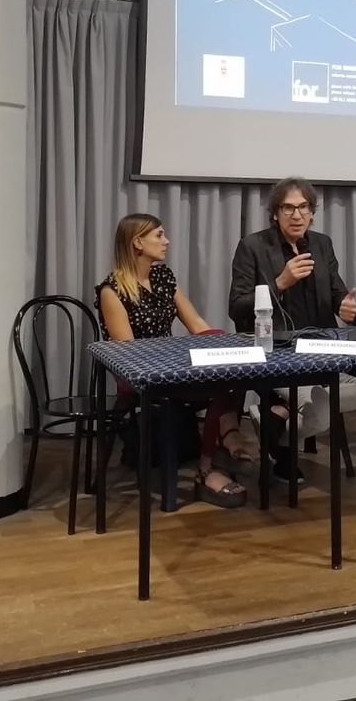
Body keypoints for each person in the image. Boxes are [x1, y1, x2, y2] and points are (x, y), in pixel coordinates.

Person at [229, 176, 356, 483]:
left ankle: (275, 418)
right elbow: (237, 307)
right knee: (321, 409)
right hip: (278, 354)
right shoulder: (253, 246)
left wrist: (346, 309)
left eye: (303, 207)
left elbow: (338, 293)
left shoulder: (321, 244)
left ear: (312, 212)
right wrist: (279, 283)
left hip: (323, 349)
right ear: (275, 214)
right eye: (288, 208)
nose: (297, 215)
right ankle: (284, 443)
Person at [96, 213, 250, 508]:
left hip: (173, 366)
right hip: (140, 373)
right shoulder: (112, 290)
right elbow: (128, 353)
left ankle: (214, 457)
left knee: (227, 374)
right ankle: (217, 454)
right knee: (219, 384)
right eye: (159, 235)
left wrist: (224, 347)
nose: (166, 241)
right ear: (137, 243)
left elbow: (198, 325)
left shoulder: (164, 278)